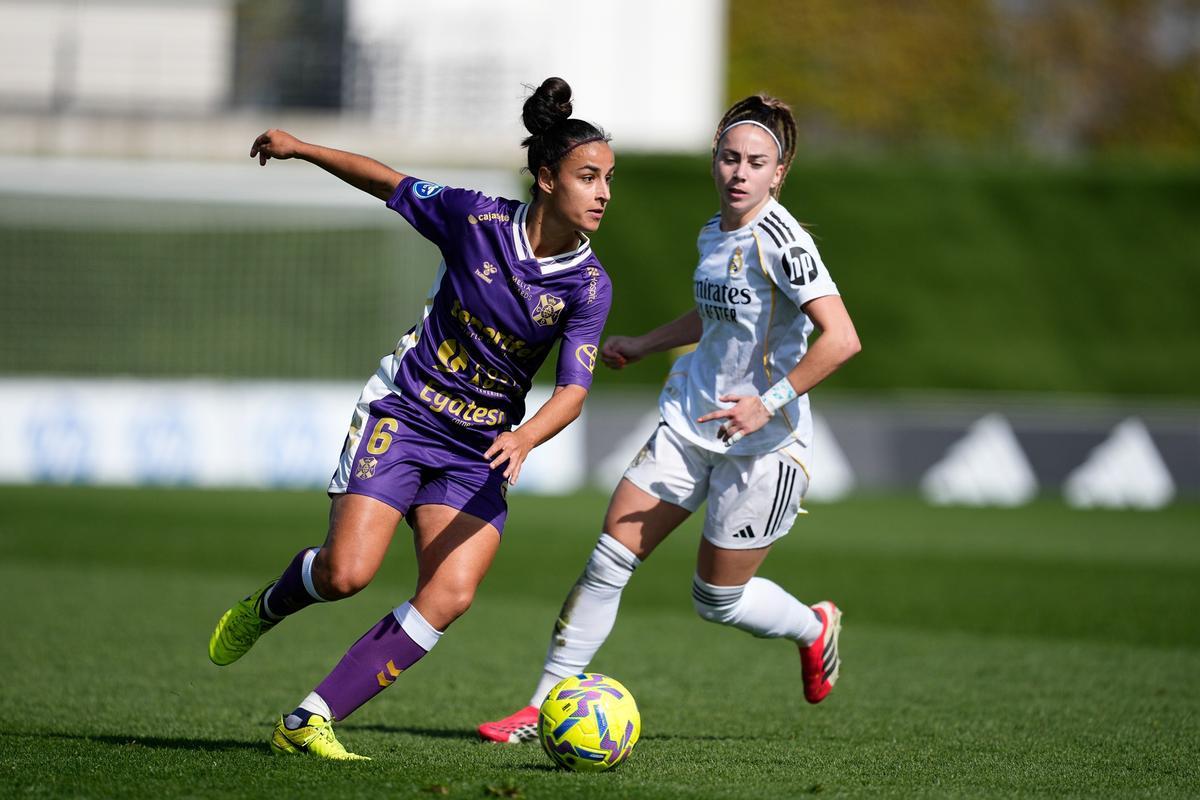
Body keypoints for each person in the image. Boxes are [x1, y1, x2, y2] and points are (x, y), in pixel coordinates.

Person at [207, 77, 615, 761]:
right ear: (546, 179)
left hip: (481, 448)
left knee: (450, 594)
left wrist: (524, 436)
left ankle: (307, 721)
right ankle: (267, 605)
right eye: (588, 176)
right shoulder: (474, 218)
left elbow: (573, 391)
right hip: (406, 414)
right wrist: (300, 147)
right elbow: (389, 183)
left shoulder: (590, 284)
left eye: (609, 179)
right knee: (346, 575)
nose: (604, 193)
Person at [478, 94, 861, 744]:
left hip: (764, 447)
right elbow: (717, 314)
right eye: (730, 158)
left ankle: (814, 626)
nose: (740, 172)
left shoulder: (785, 243)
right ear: (715, 162)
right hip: (691, 423)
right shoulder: (714, 231)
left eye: (756, 163)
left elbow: (841, 338)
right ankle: (539, 708)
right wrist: (646, 342)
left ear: (778, 174)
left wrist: (766, 401)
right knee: (608, 558)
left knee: (717, 601)